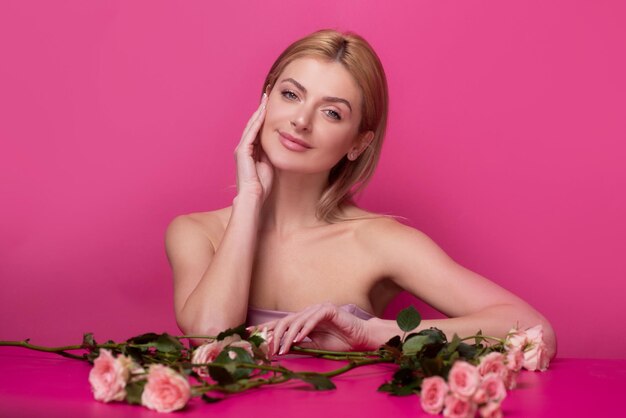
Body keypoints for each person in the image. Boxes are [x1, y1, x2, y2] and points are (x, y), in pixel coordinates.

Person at [165, 29, 557, 358]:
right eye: (290, 95)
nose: (301, 120)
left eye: (331, 112)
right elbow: (209, 336)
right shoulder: (196, 233)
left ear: (358, 143)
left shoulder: (380, 241)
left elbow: (536, 330)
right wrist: (249, 197)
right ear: (264, 100)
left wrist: (373, 333)